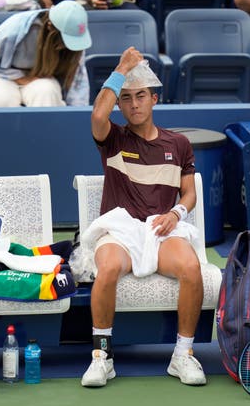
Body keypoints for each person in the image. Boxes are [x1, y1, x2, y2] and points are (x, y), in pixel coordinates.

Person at [77, 46, 207, 387]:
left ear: (154, 99)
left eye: (141, 96)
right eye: (126, 99)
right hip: (120, 231)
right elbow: (96, 117)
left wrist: (176, 214)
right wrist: (122, 66)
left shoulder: (178, 144)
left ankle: (183, 355)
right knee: (106, 270)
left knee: (192, 269)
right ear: (119, 105)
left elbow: (189, 193)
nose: (134, 104)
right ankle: (102, 357)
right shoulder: (113, 138)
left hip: (161, 230)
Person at [0, 0, 91, 107]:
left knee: (47, 92)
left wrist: (78, 116)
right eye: (65, 38)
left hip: (42, 79)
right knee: (0, 100)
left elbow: (78, 85)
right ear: (50, 26)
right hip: (1, 77)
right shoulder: (13, 29)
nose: (67, 45)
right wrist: (21, 78)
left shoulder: (76, 42)